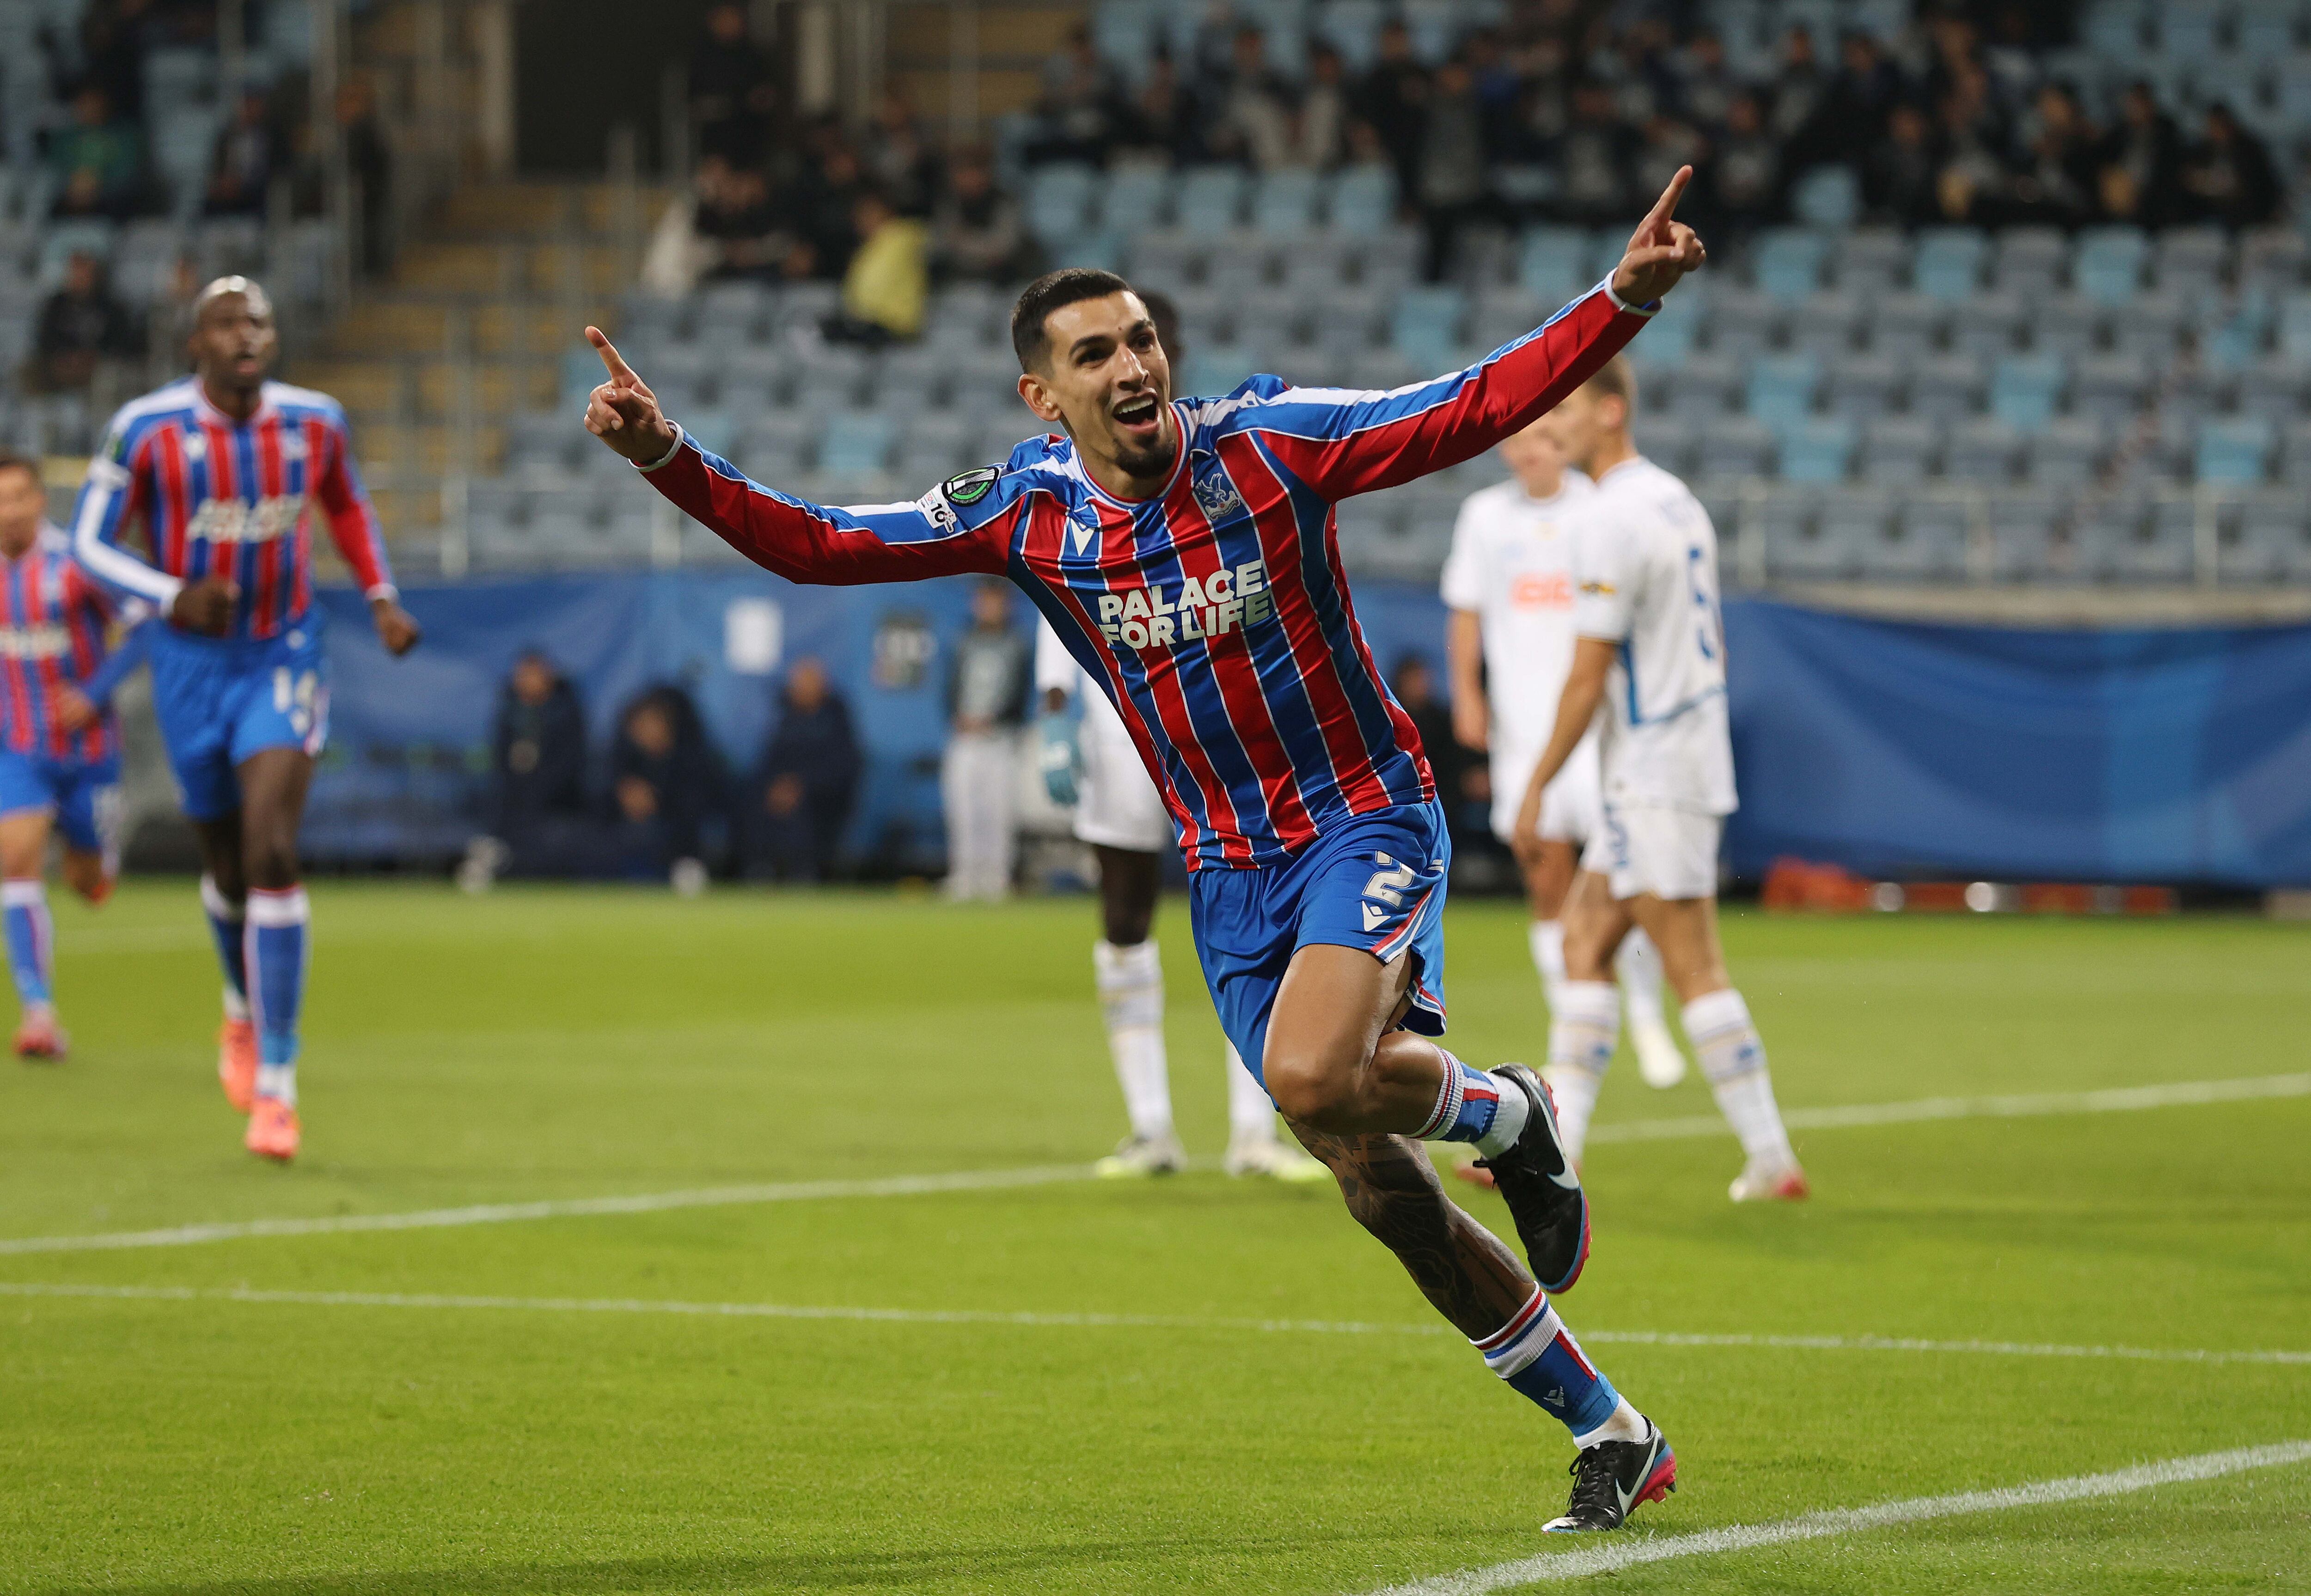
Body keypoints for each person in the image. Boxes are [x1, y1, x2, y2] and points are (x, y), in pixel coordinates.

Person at [585, 167, 1707, 1533]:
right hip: (1230, 872)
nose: (1132, 365)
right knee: (1368, 1178)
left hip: (1361, 810)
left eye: (1138, 339)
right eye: (1092, 352)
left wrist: (1615, 302)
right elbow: (823, 546)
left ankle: (1506, 1115)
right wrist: (667, 457)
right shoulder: (1026, 511)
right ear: (1039, 395)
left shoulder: (1271, 446)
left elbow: (1464, 403)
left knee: (1311, 1071)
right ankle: (1610, 1418)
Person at [70, 276, 422, 1162]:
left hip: (283, 652)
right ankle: (239, 1006)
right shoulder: (145, 428)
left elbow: (345, 501)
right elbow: (89, 541)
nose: (245, 335)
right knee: (224, 862)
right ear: (196, 344)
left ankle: (278, 1083)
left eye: (258, 321)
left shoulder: (315, 422)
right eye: (226, 323)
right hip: (190, 664)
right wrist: (169, 595)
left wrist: (379, 594)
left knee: (272, 849)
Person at [1512, 356, 1805, 1206]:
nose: (1551, 424)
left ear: (1610, 412)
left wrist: (1536, 784)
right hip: (1672, 760)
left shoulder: (1608, 517)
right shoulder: (1675, 498)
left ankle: (1772, 1157)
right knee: (1585, 942)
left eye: (1564, 407)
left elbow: (1588, 670)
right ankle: (1555, 1155)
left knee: (1693, 964)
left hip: (1655, 768)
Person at [1441, 414, 1686, 1122]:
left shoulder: (1598, 512)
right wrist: (1470, 696)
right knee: (1545, 879)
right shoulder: (1484, 516)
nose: (1528, 450)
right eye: (1517, 439)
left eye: (1542, 437)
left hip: (1598, 728)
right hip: (1524, 734)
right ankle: (1572, 1028)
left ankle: (1644, 1015)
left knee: (1620, 878)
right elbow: (1465, 615)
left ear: (1564, 443)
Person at [0, 452, 143, 1058]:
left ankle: (91, 859)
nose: (8, 512)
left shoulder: (78, 565)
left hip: (88, 752)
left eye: (18, 498)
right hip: (19, 748)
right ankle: (39, 1013)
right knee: (15, 861)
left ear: (40, 501)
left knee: (88, 881)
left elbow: (145, 625)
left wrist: (94, 691)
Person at [941, 579, 1030, 901]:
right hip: (965, 738)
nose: (989, 607)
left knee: (999, 811)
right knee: (963, 809)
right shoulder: (963, 642)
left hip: (1001, 739)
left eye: (996, 601)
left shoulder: (1017, 644)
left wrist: (994, 720)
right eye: (984, 600)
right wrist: (960, 718)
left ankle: (997, 877)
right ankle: (964, 874)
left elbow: (1020, 695)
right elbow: (951, 689)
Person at [748, 656, 860, 883]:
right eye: (798, 685)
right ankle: (758, 870)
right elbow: (770, 761)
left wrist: (801, 786)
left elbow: (843, 767)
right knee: (752, 798)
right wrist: (776, 786)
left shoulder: (837, 719)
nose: (802, 690)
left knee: (802, 811)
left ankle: (803, 874)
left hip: (822, 796)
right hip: (782, 791)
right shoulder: (785, 718)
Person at [609, 685, 721, 890]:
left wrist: (656, 801)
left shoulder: (693, 762)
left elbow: (694, 811)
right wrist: (625, 796)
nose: (647, 732)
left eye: (653, 723)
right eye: (640, 725)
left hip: (684, 847)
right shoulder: (623, 765)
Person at [32, 252, 141, 396]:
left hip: (98, 366)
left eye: (84, 272)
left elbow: (122, 342)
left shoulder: (111, 307)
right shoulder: (56, 305)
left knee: (112, 373)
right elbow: (45, 339)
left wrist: (93, 357)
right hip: (62, 365)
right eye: (76, 272)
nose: (80, 277)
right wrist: (66, 357)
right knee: (31, 372)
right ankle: (44, 415)